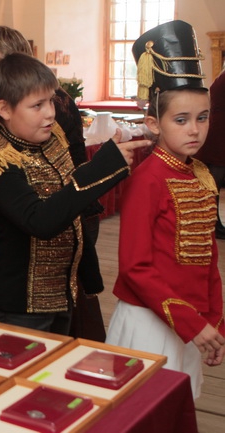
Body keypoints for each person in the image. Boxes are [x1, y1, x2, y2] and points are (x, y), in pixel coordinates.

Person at [0, 52, 149, 334]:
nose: (50, 112)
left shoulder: (53, 139)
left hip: (61, 292)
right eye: (37, 105)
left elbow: (68, 197)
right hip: (17, 302)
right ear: (4, 109)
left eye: (50, 101)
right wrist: (100, 168)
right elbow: (40, 220)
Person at [106, 20, 225, 399]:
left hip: (192, 324)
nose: (195, 130)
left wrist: (215, 322)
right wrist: (194, 323)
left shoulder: (200, 174)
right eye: (181, 120)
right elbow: (135, 268)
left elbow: (208, 257)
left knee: (179, 408)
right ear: (153, 124)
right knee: (143, 409)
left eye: (203, 118)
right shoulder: (148, 179)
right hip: (149, 323)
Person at [0, 25, 106, 341]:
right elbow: (31, 209)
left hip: (61, 256)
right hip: (21, 285)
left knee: (66, 339)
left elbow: (60, 183)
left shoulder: (49, 123)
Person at [194, 67, 225, 239]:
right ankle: (211, 223)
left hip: (217, 130)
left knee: (213, 181)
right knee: (213, 182)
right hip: (220, 134)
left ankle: (212, 223)